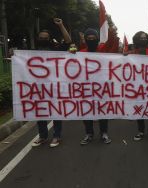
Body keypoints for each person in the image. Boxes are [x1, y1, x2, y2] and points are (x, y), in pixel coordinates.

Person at [31, 18, 71, 148]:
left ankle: (56, 135)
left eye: (45, 37)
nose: (43, 39)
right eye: (41, 37)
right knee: (40, 112)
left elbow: (68, 41)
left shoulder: (56, 49)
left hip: (55, 87)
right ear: (38, 39)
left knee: (56, 112)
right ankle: (42, 136)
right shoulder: (31, 52)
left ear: (49, 39)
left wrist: (61, 25)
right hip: (38, 87)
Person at [79, 24, 119, 145]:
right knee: (87, 112)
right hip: (85, 88)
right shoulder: (80, 52)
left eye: (93, 37)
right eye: (89, 38)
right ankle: (89, 133)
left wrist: (112, 32)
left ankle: (103, 133)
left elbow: (111, 43)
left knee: (103, 111)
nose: (91, 40)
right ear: (85, 39)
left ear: (97, 38)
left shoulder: (102, 49)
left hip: (102, 88)